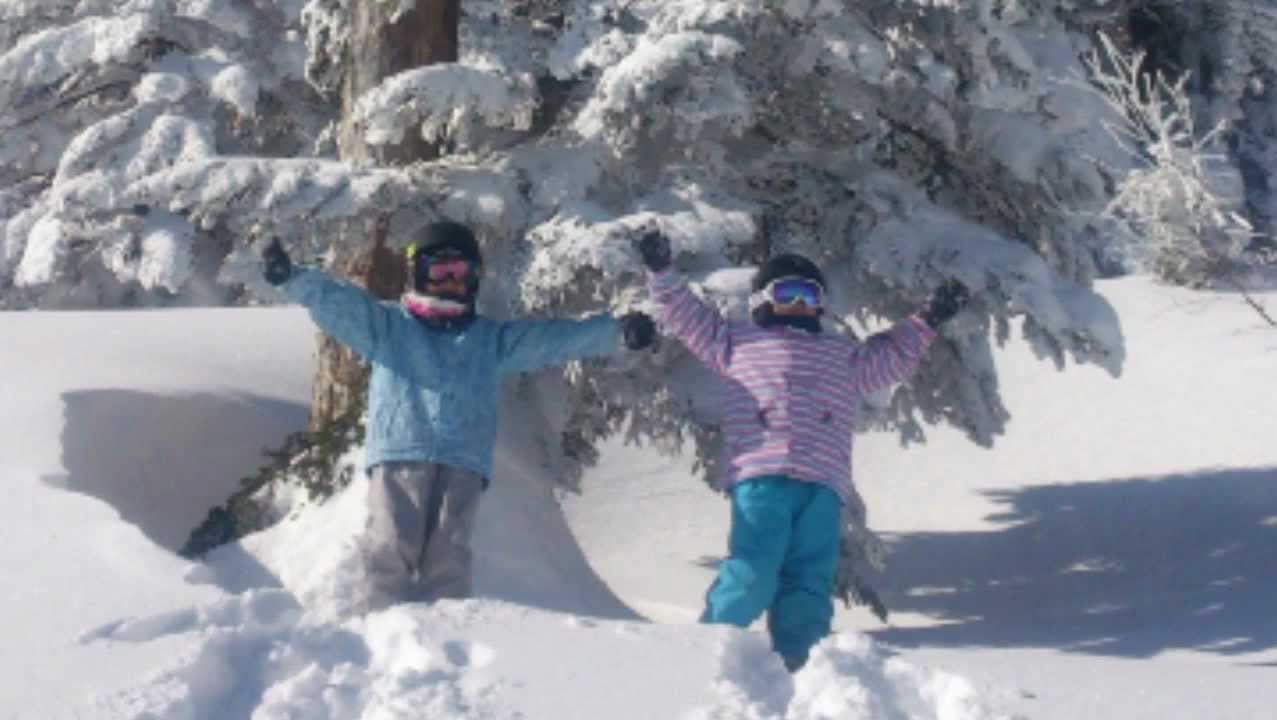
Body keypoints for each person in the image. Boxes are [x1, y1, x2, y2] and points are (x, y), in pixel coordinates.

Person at [262, 221, 657, 608]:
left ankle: (444, 634)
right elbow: (340, 306)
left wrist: (614, 332)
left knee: (448, 556)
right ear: (417, 273)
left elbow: (549, 341)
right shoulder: (391, 327)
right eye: (439, 273)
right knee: (391, 543)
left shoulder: (488, 340)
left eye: (460, 273)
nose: (450, 283)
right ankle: (379, 627)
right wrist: (293, 279)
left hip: (463, 460)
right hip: (401, 451)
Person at [634, 230, 968, 671]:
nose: (799, 305)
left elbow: (890, 357)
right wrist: (662, 273)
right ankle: (710, 651)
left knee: (809, 581)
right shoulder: (736, 343)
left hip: (822, 485)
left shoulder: (841, 355)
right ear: (761, 301)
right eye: (788, 293)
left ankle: (802, 664)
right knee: (753, 572)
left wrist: (927, 320)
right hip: (762, 477)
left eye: (809, 297)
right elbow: (688, 317)